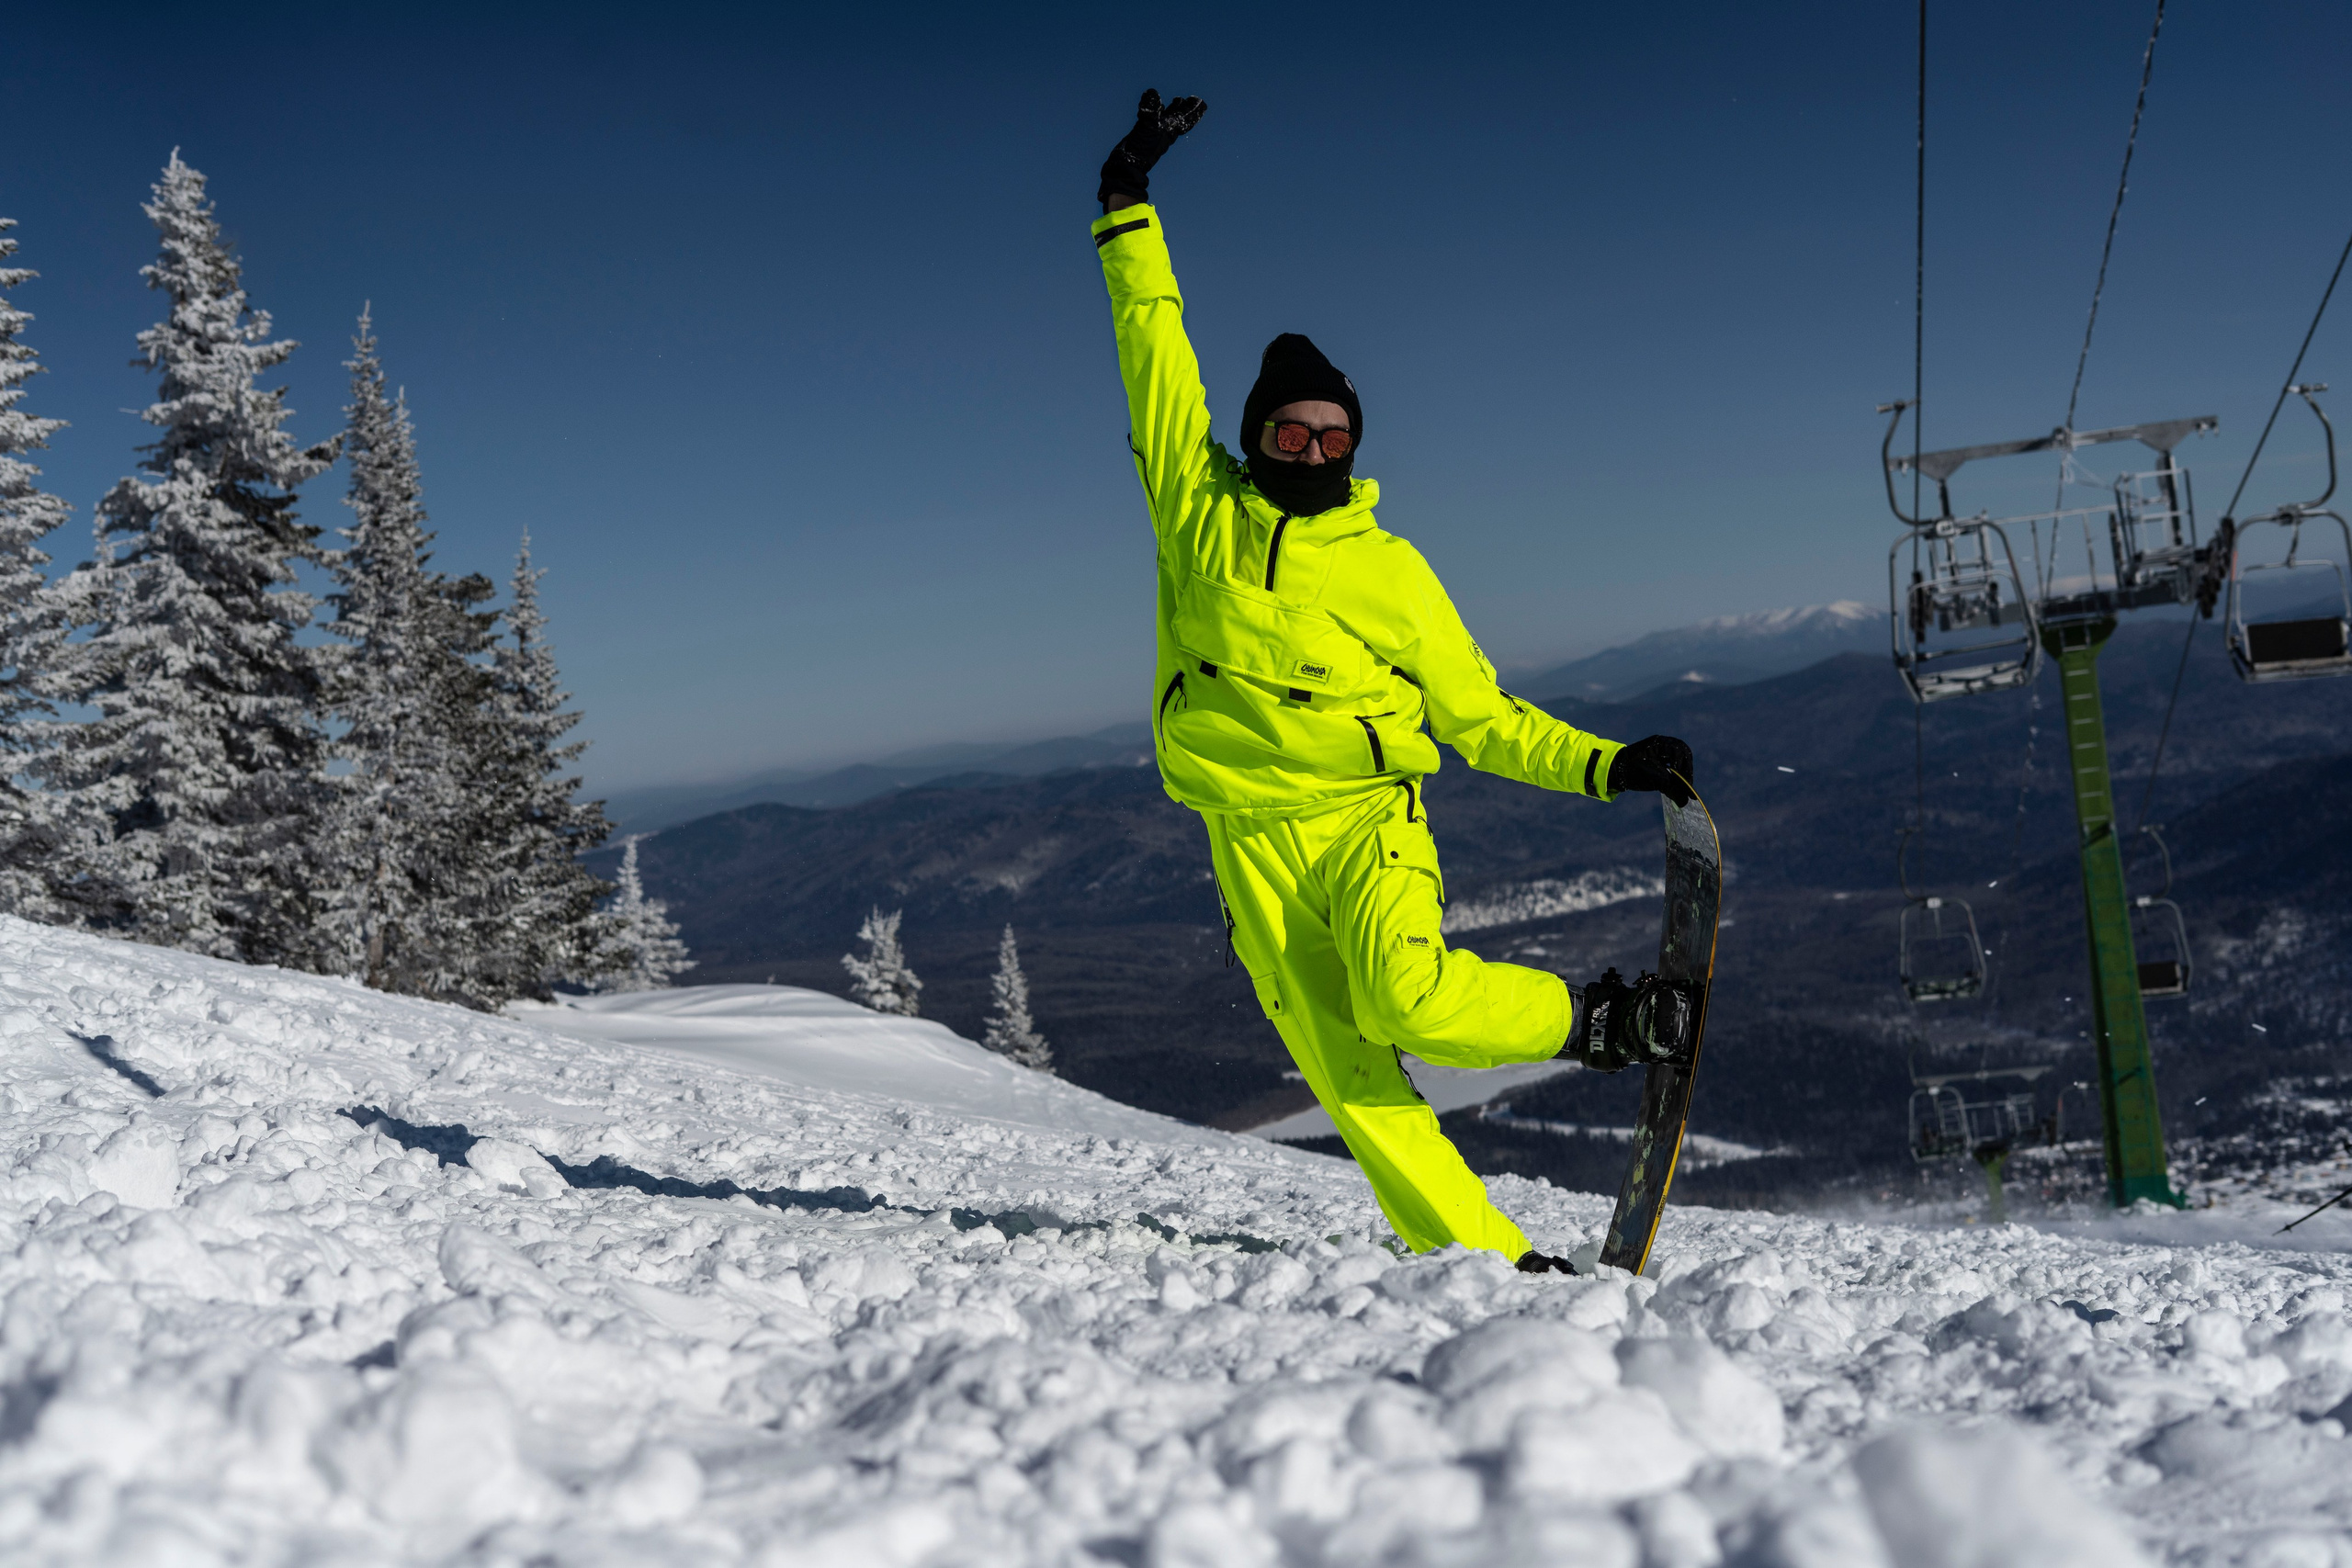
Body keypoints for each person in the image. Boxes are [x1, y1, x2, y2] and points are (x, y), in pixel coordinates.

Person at [1091, 91, 1696, 1273]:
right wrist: (1126, 206)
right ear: (1254, 437)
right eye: (1289, 436)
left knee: (1406, 1001)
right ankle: (1496, 1262)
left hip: (1363, 824)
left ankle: (1602, 1022)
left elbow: (1477, 716)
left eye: (1333, 438)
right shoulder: (1194, 512)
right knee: (1350, 1075)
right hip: (1245, 840)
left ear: (1355, 446)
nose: (1313, 455)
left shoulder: (1389, 571)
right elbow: (1151, 358)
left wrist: (1604, 765)